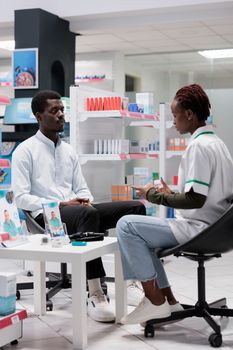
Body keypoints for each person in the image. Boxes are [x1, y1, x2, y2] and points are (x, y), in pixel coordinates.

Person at [11, 90, 146, 323]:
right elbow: (21, 198)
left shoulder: (68, 151)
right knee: (87, 213)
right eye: (54, 111)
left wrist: (84, 199)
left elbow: (83, 189)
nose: (61, 115)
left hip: (78, 212)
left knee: (135, 209)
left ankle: (133, 280)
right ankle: (95, 293)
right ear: (38, 116)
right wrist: (63, 203)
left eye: (62, 110)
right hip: (45, 217)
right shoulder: (25, 151)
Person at [116, 83, 233, 325]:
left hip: (199, 229)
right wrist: (173, 193)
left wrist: (153, 195)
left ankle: (153, 300)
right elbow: (204, 193)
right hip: (219, 229)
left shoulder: (198, 147)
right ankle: (169, 301)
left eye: (174, 115)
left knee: (126, 225)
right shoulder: (217, 144)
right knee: (142, 238)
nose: (173, 121)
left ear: (189, 114)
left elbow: (195, 199)